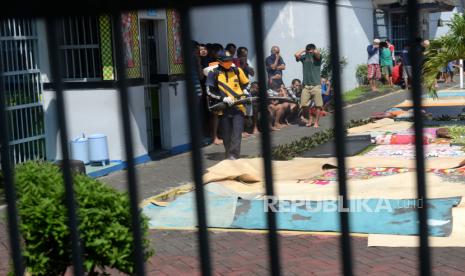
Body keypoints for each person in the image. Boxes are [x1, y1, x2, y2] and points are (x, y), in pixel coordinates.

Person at [206, 51, 249, 160]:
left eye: (230, 60)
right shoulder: (214, 73)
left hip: (238, 106)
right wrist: (223, 98)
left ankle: (234, 155)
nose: (229, 62)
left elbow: (245, 83)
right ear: (220, 61)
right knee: (226, 134)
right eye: (226, 61)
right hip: (224, 108)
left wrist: (245, 90)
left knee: (237, 132)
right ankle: (228, 153)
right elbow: (209, 91)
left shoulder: (237, 70)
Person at [295, 43, 323, 128]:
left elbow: (317, 53)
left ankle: (316, 122)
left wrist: (313, 50)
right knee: (303, 104)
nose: (309, 52)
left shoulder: (317, 57)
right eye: (308, 50)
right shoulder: (304, 57)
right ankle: (310, 118)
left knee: (318, 105)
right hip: (306, 86)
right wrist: (304, 50)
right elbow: (296, 55)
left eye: (310, 50)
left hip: (316, 85)